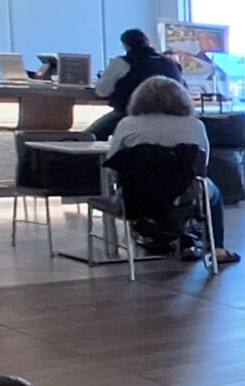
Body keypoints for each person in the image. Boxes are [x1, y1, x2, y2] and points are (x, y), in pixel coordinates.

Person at [105, 75, 237, 265]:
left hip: (138, 196)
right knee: (212, 194)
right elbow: (202, 165)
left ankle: (175, 240)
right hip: (185, 195)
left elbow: (113, 162)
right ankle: (217, 248)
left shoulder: (127, 124)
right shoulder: (194, 125)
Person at [88, 29, 184, 140]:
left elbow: (102, 92)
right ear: (148, 42)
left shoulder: (123, 62)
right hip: (171, 118)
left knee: (89, 137)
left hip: (130, 114)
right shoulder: (172, 64)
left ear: (126, 45)